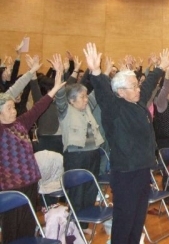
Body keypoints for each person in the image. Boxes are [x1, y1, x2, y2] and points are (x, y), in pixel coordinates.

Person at [84, 42, 169, 244]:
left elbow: (148, 85)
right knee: (124, 221)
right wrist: (96, 72)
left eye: (136, 84)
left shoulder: (137, 103)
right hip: (125, 174)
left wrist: (160, 69)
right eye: (133, 86)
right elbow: (103, 94)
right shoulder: (114, 108)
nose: (138, 88)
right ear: (120, 91)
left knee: (137, 219)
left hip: (141, 170)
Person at [0, 69, 64, 243]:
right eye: (9, 108)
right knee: (11, 228)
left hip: (30, 182)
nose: (14, 111)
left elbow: (38, 107)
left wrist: (55, 89)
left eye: (14, 107)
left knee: (28, 225)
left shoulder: (20, 123)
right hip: (10, 187)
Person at [51, 54, 104, 233]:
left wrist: (99, 73)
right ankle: (73, 225)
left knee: (90, 189)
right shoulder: (65, 111)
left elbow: (98, 92)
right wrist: (59, 74)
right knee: (77, 191)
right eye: (81, 97)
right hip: (76, 156)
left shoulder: (88, 106)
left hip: (93, 153)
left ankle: (83, 224)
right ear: (71, 100)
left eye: (85, 96)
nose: (85, 99)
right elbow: (59, 96)